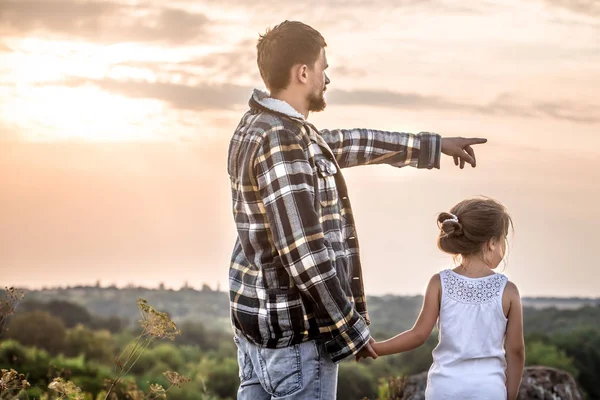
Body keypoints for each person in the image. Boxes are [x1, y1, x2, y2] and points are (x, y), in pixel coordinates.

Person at [227, 20, 488, 399]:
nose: (326, 78)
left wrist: (432, 146)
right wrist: (350, 329)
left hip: (258, 331)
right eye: (323, 68)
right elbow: (305, 254)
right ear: (303, 72)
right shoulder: (282, 140)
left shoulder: (259, 126)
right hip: (297, 339)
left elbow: (345, 143)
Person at [363, 197, 526, 400]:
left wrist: (375, 348)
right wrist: (509, 396)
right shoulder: (508, 290)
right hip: (488, 390)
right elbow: (516, 351)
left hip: (444, 388)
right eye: (503, 239)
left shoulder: (439, 283)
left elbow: (417, 335)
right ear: (492, 242)